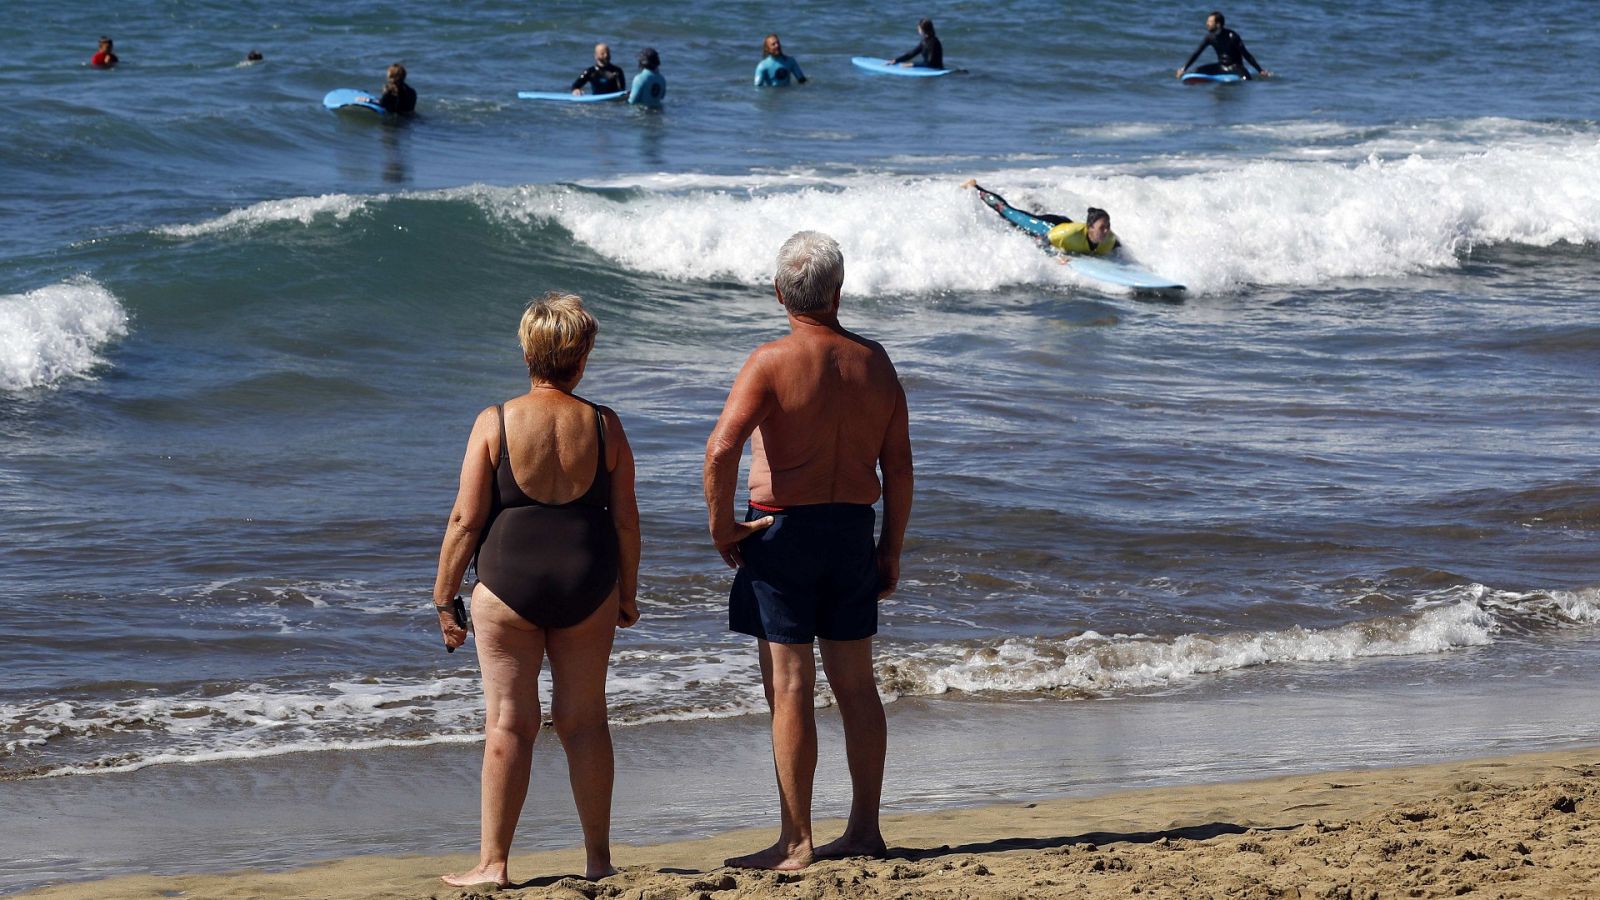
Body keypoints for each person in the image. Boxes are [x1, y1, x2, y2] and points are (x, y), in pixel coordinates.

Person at [704, 231, 913, 871]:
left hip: (782, 532)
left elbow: (721, 450)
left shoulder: (771, 361)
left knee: (790, 687)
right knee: (856, 685)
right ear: (838, 292)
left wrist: (721, 528)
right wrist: (890, 549)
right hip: (852, 529)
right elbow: (900, 468)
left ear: (778, 293)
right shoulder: (875, 362)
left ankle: (796, 841)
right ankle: (864, 830)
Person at [430, 292, 641, 888]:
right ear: (583, 358)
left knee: (508, 723)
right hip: (587, 585)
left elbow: (465, 520)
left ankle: (494, 864)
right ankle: (598, 861)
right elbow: (626, 520)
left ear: (527, 353)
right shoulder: (604, 425)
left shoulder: (495, 421)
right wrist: (627, 592)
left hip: (506, 586)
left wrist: (444, 596)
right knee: (585, 721)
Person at [962, 179, 1118, 256]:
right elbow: (1040, 242)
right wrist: (1056, 257)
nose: (1106, 231)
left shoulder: (1110, 239)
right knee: (1009, 214)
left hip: (1063, 223)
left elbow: (1118, 247)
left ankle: (1031, 202)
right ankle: (975, 187)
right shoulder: (1068, 234)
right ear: (1090, 227)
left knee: (1036, 214)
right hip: (1048, 227)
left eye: (1107, 227)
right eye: (1102, 228)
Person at [1176, 11, 1271, 80]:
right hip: (1221, 66)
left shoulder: (1232, 36)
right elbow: (1197, 53)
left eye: (1210, 22)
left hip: (1236, 67)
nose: (1207, 24)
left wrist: (1260, 70)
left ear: (1218, 24)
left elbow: (1246, 54)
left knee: (1247, 79)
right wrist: (1183, 69)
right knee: (1195, 71)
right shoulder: (1210, 37)